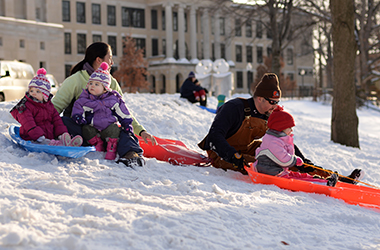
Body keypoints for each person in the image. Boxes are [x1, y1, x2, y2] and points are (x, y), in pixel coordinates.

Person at [198, 73, 361, 184]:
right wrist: (235, 157)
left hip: (248, 148)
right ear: (260, 98)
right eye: (272, 102)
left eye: (277, 102)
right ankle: (313, 182)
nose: (275, 106)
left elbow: (282, 142)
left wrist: (304, 163)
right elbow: (215, 137)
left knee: (286, 159)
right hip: (222, 153)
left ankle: (335, 178)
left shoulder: (269, 114)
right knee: (268, 166)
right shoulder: (234, 108)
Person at [52, 42, 156, 166]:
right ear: (99, 60)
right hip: (83, 130)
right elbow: (55, 108)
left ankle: (130, 154)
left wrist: (141, 131)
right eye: (110, 58)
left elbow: (123, 112)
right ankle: (73, 141)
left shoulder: (111, 83)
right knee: (63, 122)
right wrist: (38, 126)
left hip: (107, 133)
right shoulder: (76, 80)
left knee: (126, 131)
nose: (112, 63)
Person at [253, 106, 338, 187]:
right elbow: (283, 160)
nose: (291, 130)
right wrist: (294, 160)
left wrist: (288, 142)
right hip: (270, 172)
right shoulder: (272, 141)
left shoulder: (278, 139)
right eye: (289, 127)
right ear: (281, 127)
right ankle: (322, 184)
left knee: (299, 175)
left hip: (276, 170)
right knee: (297, 179)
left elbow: (288, 155)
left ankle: (320, 180)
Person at [71, 62, 137, 161]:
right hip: (93, 127)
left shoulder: (113, 99)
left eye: (96, 84)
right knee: (86, 129)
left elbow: (123, 111)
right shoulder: (85, 99)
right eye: (91, 83)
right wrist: (78, 116)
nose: (92, 86)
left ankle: (112, 147)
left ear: (105, 89)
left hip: (108, 127)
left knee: (114, 129)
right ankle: (97, 144)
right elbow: (78, 106)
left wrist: (127, 124)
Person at [10, 68, 82, 147]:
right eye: (31, 91)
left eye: (37, 91)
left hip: (47, 136)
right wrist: (38, 136)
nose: (33, 93)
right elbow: (28, 123)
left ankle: (66, 141)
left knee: (57, 132)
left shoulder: (49, 106)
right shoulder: (25, 105)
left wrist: (62, 133)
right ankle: (61, 144)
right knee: (51, 143)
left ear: (45, 95)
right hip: (31, 136)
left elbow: (57, 120)